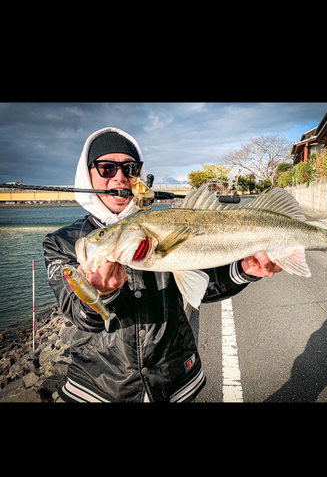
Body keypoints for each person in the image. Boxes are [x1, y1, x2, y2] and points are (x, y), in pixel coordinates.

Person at [43, 127, 282, 403]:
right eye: (107, 168)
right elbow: (79, 314)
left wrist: (243, 270)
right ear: (88, 174)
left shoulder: (161, 224)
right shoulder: (61, 242)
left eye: (129, 168)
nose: (119, 177)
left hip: (176, 381)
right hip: (99, 390)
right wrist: (100, 297)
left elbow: (202, 283)